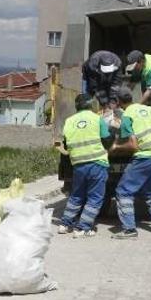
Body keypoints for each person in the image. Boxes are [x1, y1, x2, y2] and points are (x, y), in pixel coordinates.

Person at [110, 88, 151, 239]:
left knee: (123, 190)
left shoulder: (127, 115)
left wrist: (116, 147)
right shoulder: (148, 109)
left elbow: (133, 146)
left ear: (118, 102)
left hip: (146, 156)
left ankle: (129, 230)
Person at [58, 94, 112, 238]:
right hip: (96, 163)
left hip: (78, 164)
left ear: (77, 106)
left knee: (76, 196)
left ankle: (65, 224)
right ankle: (83, 228)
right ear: (91, 105)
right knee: (94, 198)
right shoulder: (97, 119)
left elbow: (66, 144)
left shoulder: (69, 121)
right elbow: (107, 141)